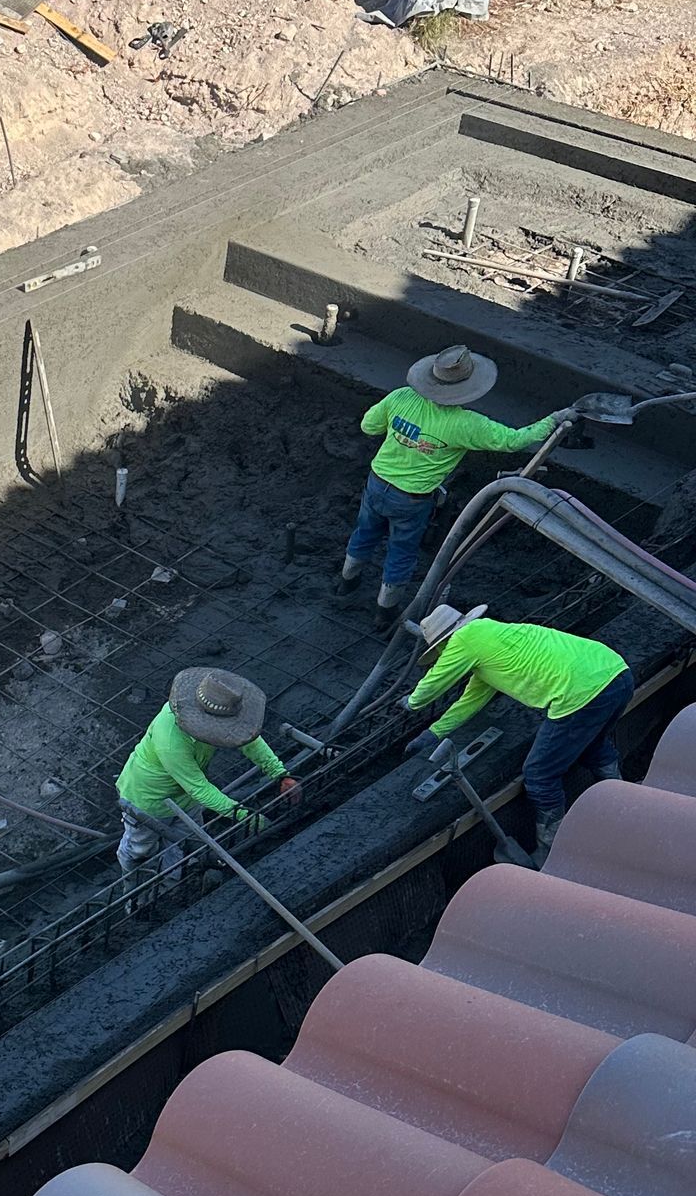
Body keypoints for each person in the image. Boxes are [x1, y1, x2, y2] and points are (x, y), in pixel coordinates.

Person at [341, 347, 566, 613]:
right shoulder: (466, 424)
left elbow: (368, 426)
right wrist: (554, 420)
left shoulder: (401, 397)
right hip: (412, 500)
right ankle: (385, 611)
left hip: (377, 483)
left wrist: (403, 434)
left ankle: (346, 583)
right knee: (401, 552)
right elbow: (513, 440)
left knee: (364, 533)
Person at [403, 603, 630, 855]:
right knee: (593, 746)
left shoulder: (464, 639)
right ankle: (623, 807)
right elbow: (471, 700)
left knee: (539, 775)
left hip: (581, 694)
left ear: (443, 644)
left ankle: (552, 849)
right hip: (614, 671)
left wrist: (411, 703)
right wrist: (433, 733)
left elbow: (433, 683)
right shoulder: (491, 641)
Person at [116, 667, 298, 880]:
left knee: (187, 846)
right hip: (147, 801)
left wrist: (280, 774)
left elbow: (248, 739)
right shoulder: (171, 741)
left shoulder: (217, 709)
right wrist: (244, 816)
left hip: (185, 798)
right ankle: (130, 884)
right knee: (139, 849)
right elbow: (199, 788)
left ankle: (171, 885)